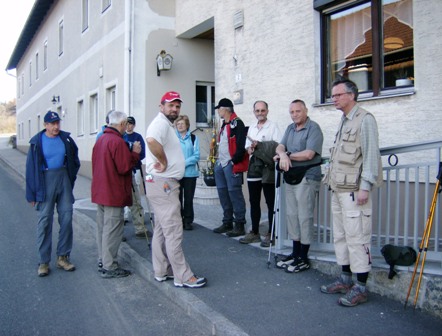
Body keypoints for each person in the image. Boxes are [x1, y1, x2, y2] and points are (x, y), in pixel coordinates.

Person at [321, 78, 382, 307]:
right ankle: (345, 279)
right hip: (338, 189)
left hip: (355, 192)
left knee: (358, 238)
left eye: (338, 95)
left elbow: (370, 156)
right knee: (341, 236)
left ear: (351, 96)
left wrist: (365, 186)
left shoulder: (364, 120)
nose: (334, 99)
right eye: (333, 95)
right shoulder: (344, 120)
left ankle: (361, 287)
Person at [145, 91, 206, 288]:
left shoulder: (166, 124)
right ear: (161, 106)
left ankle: (163, 270)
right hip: (163, 183)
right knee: (173, 230)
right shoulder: (160, 123)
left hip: (160, 183)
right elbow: (151, 140)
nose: (175, 109)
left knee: (162, 230)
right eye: (171, 105)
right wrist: (163, 161)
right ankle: (183, 276)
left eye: (177, 106)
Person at [26, 111, 80, 277]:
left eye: (58, 123)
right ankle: (43, 262)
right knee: (44, 221)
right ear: (45, 125)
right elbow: (30, 169)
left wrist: (70, 179)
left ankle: (63, 257)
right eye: (52, 123)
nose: (56, 126)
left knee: (66, 217)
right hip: (45, 181)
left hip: (63, 179)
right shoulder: (37, 143)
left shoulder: (66, 139)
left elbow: (74, 160)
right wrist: (32, 194)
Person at [274, 99, 323, 273]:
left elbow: (309, 154)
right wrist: (282, 153)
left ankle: (303, 257)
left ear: (306, 111)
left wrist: (287, 155)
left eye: (298, 111)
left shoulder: (313, 128)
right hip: (291, 176)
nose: (294, 115)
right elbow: (280, 146)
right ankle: (295, 254)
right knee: (292, 215)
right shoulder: (290, 128)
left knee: (304, 216)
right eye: (292, 112)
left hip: (308, 176)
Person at [91, 110, 142, 278]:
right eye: (126, 123)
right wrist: (134, 153)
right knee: (112, 230)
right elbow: (124, 167)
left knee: (103, 228)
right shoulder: (117, 141)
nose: (127, 127)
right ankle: (109, 266)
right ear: (121, 124)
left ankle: (103, 259)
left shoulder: (101, 139)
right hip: (113, 192)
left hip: (101, 191)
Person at [239, 100, 281, 247]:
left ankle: (272, 232)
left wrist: (261, 145)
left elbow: (277, 146)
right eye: (257, 111)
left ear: (267, 111)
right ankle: (255, 232)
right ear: (254, 112)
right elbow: (247, 149)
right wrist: (250, 148)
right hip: (254, 167)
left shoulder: (273, 126)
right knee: (254, 201)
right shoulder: (251, 128)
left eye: (263, 110)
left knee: (270, 202)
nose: (260, 113)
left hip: (268, 168)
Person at [212, 98, 249, 237]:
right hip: (222, 164)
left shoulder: (237, 123)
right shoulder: (225, 124)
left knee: (235, 193)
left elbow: (241, 145)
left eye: (219, 109)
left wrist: (234, 161)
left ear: (225, 109)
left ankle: (239, 224)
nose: (218, 111)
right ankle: (227, 221)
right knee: (223, 193)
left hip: (231, 164)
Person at [123, 116, 150, 238]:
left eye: (131, 124)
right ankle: (125, 216)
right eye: (127, 124)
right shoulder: (122, 137)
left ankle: (139, 223)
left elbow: (142, 152)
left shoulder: (137, 137)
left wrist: (134, 158)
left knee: (136, 196)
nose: (129, 126)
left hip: (136, 168)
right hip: (125, 170)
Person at [175, 115, 200, 231]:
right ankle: (179, 220)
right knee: (177, 199)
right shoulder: (173, 139)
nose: (180, 126)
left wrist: (183, 163)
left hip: (190, 174)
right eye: (178, 124)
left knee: (188, 199)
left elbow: (196, 156)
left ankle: (188, 221)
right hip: (177, 174)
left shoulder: (194, 138)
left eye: (182, 124)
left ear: (187, 125)